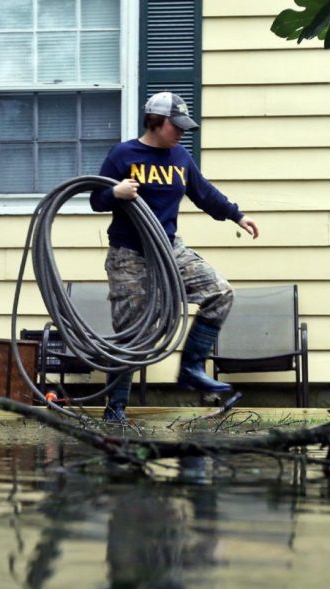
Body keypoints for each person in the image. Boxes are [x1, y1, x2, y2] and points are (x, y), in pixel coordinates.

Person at [90, 91, 259, 423]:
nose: (181, 133)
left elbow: (203, 192)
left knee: (219, 292)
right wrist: (115, 193)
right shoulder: (124, 155)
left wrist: (237, 215)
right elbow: (96, 199)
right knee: (131, 335)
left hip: (169, 249)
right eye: (176, 126)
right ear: (156, 123)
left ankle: (191, 369)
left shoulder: (180, 157)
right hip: (130, 256)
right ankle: (115, 410)